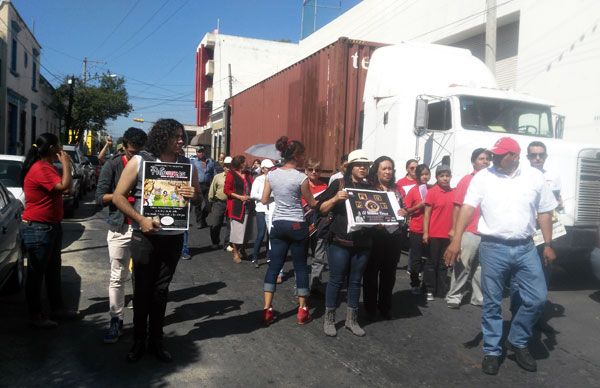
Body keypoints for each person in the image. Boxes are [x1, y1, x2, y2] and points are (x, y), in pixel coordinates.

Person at [444, 136, 557, 375]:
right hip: (493, 247)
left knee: (537, 298)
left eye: (499, 155)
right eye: (492, 154)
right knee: (492, 303)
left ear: (514, 156)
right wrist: (456, 240)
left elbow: (545, 211)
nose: (493, 159)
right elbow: (467, 207)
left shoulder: (535, 177)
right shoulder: (484, 177)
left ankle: (517, 339)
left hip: (526, 248)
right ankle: (492, 351)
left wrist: (548, 244)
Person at [112, 119, 200, 363]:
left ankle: (156, 341)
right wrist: (140, 219)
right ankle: (138, 341)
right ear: (163, 137)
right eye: (177, 136)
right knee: (142, 290)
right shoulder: (141, 160)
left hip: (173, 238)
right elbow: (118, 197)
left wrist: (195, 194)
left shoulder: (186, 165)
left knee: (161, 291)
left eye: (183, 136)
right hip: (146, 237)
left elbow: (199, 198)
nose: (182, 141)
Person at [20, 133, 80, 328]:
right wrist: (66, 163)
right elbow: (64, 185)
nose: (61, 150)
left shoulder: (47, 167)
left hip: (51, 225)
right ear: (53, 148)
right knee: (36, 273)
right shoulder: (40, 169)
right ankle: (35, 315)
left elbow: (68, 190)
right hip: (39, 227)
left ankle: (57, 308)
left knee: (53, 270)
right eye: (59, 147)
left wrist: (64, 169)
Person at [95, 127, 147, 343]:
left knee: (143, 277)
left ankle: (141, 324)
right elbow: (99, 197)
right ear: (124, 146)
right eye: (132, 152)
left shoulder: (148, 163)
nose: (136, 156)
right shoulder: (113, 164)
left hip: (143, 228)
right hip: (120, 228)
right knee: (118, 277)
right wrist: (121, 197)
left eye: (139, 152)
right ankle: (116, 320)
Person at [261, 136, 317, 326]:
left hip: (278, 223)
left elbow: (264, 199)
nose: (304, 158)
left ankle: (267, 309)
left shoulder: (272, 175)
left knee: (274, 266)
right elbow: (311, 202)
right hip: (296, 224)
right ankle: (302, 310)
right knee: (301, 267)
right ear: (296, 155)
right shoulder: (301, 177)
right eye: (302, 155)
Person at [318, 149, 373, 337]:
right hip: (340, 242)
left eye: (366, 165)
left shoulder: (371, 188)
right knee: (336, 279)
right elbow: (321, 209)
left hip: (363, 243)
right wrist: (335, 198)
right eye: (359, 165)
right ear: (350, 167)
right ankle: (329, 318)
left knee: (356, 282)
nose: (363, 168)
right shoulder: (339, 184)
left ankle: (351, 320)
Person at [445, 148, 491, 309]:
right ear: (473, 162)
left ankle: (478, 297)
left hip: (486, 232)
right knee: (463, 265)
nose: (485, 161)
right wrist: (454, 230)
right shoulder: (467, 180)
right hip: (469, 230)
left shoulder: (493, 180)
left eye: (487, 159)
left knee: (481, 267)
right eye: (481, 158)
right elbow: (457, 207)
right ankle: (454, 296)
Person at [363, 156, 407, 320]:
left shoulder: (397, 189)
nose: (388, 172)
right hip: (375, 236)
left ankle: (385, 306)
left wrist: (404, 212)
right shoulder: (369, 188)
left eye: (390, 169)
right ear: (377, 171)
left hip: (394, 236)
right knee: (371, 273)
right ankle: (370, 307)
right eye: (384, 168)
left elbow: (403, 209)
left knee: (389, 274)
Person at [527, 141, 562, 285]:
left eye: (541, 155)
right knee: (525, 268)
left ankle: (540, 299)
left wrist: (559, 204)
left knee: (545, 265)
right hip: (528, 229)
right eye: (533, 155)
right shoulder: (521, 176)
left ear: (545, 156)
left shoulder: (553, 177)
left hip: (546, 229)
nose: (537, 158)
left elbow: (557, 201)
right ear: (527, 157)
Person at [422, 165, 454, 301]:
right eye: (442, 176)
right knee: (432, 263)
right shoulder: (432, 192)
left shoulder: (454, 192)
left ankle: (441, 289)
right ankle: (429, 289)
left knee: (443, 264)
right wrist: (425, 232)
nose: (445, 178)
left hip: (448, 235)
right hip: (434, 234)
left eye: (447, 175)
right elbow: (427, 214)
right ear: (437, 177)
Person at [403, 164, 431, 294]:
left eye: (427, 174)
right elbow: (406, 210)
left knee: (429, 259)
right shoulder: (413, 190)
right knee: (416, 258)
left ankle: (428, 284)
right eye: (423, 174)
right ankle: (414, 283)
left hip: (432, 229)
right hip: (416, 228)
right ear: (418, 176)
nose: (425, 176)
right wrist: (419, 206)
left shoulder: (432, 189)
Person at [302, 158, 329, 293]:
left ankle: (315, 285)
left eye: (317, 170)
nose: (314, 172)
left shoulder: (325, 187)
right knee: (301, 257)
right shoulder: (301, 185)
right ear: (306, 171)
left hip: (319, 226)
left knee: (318, 257)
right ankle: (300, 287)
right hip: (302, 225)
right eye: (311, 169)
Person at [224, 155, 254, 263]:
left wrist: (251, 196)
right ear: (240, 164)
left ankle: (243, 249)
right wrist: (240, 197)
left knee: (247, 232)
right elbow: (227, 190)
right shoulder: (231, 174)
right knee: (237, 232)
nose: (247, 163)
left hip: (248, 206)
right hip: (236, 206)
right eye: (245, 162)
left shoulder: (248, 174)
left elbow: (253, 187)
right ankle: (236, 252)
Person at [250, 159, 275, 268]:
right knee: (261, 234)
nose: (270, 170)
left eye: (271, 168)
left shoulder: (274, 179)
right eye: (268, 169)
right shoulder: (259, 180)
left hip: (272, 209)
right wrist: (266, 197)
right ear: (263, 169)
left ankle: (269, 256)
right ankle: (255, 257)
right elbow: (252, 194)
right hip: (261, 209)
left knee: (271, 234)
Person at [207, 156, 232, 249]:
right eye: (226, 166)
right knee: (216, 223)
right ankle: (215, 242)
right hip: (219, 203)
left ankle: (227, 243)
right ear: (223, 167)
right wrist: (210, 202)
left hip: (231, 203)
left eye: (230, 166)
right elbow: (212, 190)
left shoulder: (235, 177)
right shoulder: (217, 177)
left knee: (230, 225)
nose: (228, 168)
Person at [192, 146, 215, 228]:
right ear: (196, 153)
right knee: (198, 205)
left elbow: (213, 174)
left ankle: (202, 218)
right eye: (198, 152)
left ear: (204, 152)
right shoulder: (194, 162)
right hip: (197, 185)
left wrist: (214, 185)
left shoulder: (210, 162)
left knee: (209, 204)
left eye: (201, 151)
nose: (200, 153)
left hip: (208, 185)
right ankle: (199, 222)